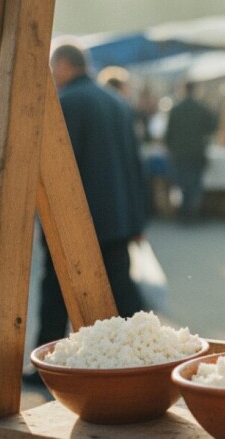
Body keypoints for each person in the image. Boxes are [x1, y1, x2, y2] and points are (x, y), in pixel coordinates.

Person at [32, 43, 149, 353]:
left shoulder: (64, 103)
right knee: (122, 289)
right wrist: (137, 219)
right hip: (118, 217)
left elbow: (58, 171)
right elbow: (135, 166)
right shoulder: (117, 102)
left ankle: (50, 356)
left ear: (64, 66)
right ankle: (141, 350)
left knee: (56, 290)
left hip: (76, 221)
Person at [165, 80, 218, 221]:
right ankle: (193, 212)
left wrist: (170, 149)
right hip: (197, 152)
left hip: (180, 152)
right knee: (195, 183)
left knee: (182, 183)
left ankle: (184, 212)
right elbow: (213, 126)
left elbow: (169, 134)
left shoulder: (176, 109)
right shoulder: (202, 108)